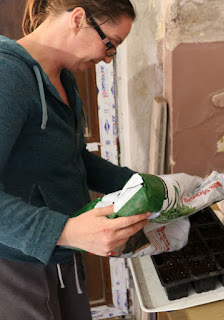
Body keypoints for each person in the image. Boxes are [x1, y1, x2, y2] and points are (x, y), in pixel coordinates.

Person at [0, 0, 150, 319]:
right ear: (78, 18)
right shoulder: (7, 77)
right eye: (110, 45)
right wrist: (65, 231)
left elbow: (74, 157)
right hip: (15, 267)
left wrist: (143, 186)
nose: (108, 60)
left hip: (60, 254)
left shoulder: (63, 79)